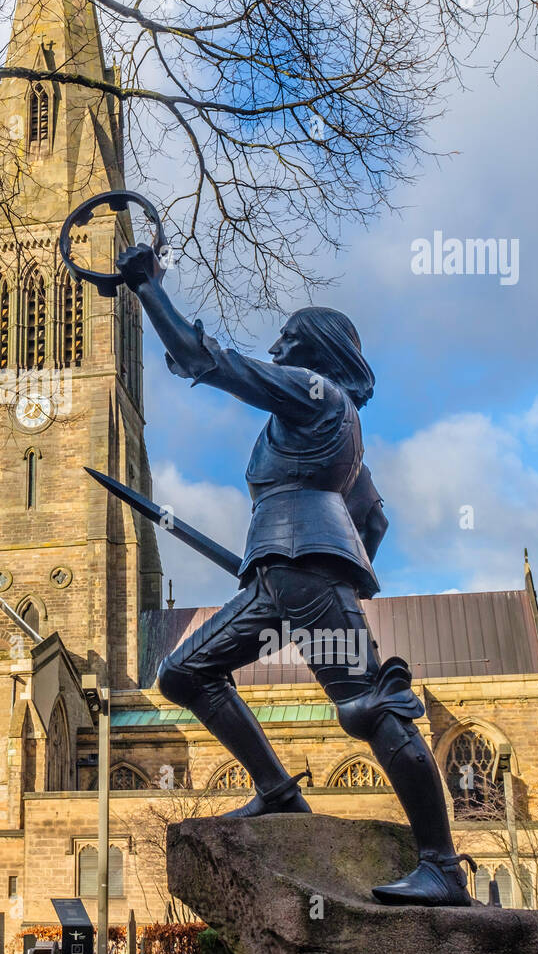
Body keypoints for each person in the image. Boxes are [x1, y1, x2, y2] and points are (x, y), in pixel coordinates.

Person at [117, 242, 474, 907]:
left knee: (370, 706)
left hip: (303, 583)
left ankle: (442, 867)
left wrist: (148, 288)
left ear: (311, 351)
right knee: (183, 673)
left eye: (286, 341)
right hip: (283, 582)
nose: (276, 351)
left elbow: (206, 361)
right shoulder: (342, 431)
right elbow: (374, 525)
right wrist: (316, 558)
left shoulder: (316, 393)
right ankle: (279, 792)